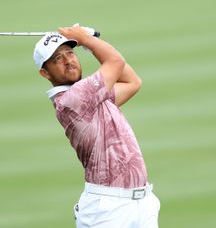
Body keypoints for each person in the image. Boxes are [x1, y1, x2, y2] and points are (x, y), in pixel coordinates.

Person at [33, 25, 160, 228]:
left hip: (141, 203)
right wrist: (86, 40)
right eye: (57, 59)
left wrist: (88, 43)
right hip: (108, 209)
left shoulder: (92, 95)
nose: (68, 61)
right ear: (45, 73)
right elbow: (116, 62)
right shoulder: (72, 99)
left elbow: (132, 82)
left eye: (70, 53)